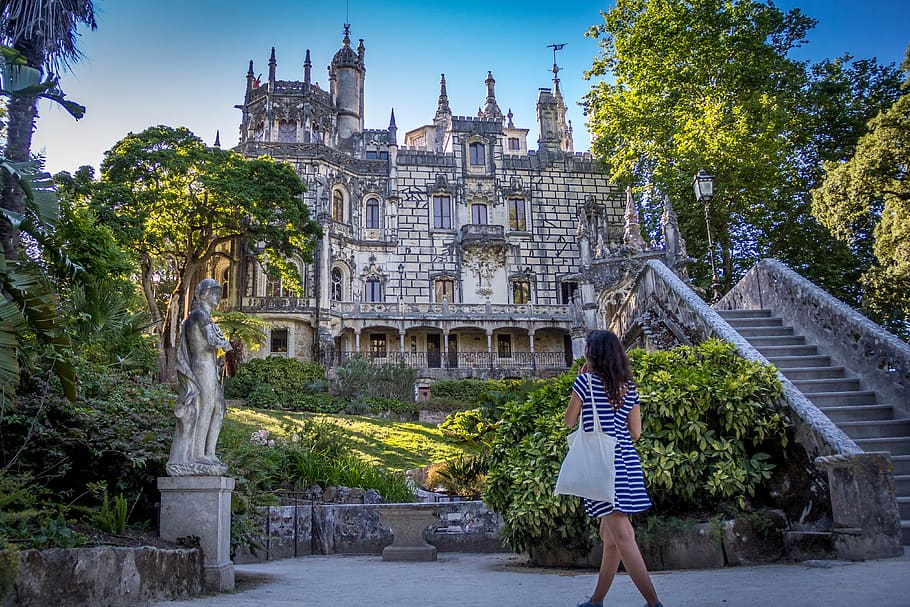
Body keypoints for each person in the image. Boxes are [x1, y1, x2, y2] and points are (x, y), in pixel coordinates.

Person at [564, 329, 663, 607]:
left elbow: (569, 421)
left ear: (592, 354)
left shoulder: (584, 383)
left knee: (623, 536)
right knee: (609, 538)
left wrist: (582, 384)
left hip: (602, 466)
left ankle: (654, 603)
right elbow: (636, 432)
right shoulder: (629, 387)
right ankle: (596, 602)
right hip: (627, 463)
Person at [166, 278, 233, 476]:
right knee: (206, 406)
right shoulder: (199, 315)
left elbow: (218, 342)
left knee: (219, 408)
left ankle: (209, 452)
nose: (218, 297)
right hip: (201, 365)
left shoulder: (204, 316)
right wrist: (224, 342)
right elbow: (214, 341)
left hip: (209, 364)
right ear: (203, 294)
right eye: (215, 292)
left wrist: (223, 343)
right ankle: (197, 454)